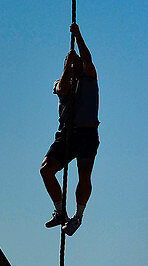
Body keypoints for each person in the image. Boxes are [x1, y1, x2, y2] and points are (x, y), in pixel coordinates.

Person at [39, 23, 99, 236]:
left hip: (87, 133)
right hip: (66, 134)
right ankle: (59, 210)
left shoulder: (89, 78)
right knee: (46, 170)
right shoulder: (61, 82)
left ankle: (78, 217)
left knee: (83, 174)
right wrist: (67, 66)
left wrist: (78, 36)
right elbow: (61, 88)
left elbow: (88, 59)